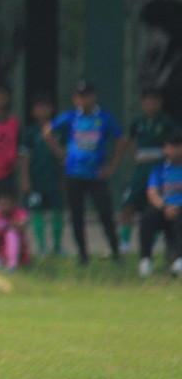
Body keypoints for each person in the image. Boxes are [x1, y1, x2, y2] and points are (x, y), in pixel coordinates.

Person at [45, 80, 126, 265]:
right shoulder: (72, 116)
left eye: (87, 95)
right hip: (73, 173)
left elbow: (120, 138)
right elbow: (48, 132)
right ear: (75, 98)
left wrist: (113, 166)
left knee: (105, 214)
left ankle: (116, 252)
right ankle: (83, 255)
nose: (83, 100)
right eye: (80, 96)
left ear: (93, 96)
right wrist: (61, 153)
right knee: (76, 215)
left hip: (96, 174)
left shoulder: (104, 117)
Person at [120, 88, 180, 253]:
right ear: (142, 102)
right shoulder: (138, 122)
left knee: (154, 205)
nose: (151, 104)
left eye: (154, 100)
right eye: (147, 100)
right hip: (141, 169)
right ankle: (124, 244)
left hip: (158, 169)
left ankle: (152, 244)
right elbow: (128, 140)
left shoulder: (166, 122)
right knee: (128, 203)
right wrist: (136, 155)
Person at [19, 93, 64, 255]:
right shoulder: (31, 133)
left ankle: (57, 246)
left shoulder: (59, 130)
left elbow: (65, 155)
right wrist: (25, 179)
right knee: (37, 212)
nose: (42, 111)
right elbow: (25, 157)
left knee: (57, 211)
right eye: (39, 108)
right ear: (33, 111)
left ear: (51, 109)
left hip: (55, 178)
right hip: (36, 178)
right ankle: (42, 247)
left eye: (45, 107)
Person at [137, 129, 182, 277]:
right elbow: (152, 192)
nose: (173, 151)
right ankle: (145, 260)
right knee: (146, 219)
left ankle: (179, 260)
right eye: (170, 147)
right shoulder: (159, 169)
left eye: (177, 147)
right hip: (164, 208)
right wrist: (164, 207)